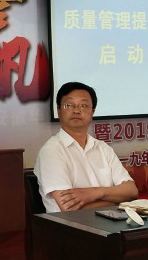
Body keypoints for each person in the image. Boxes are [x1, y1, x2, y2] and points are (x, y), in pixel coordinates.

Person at [34, 82, 138, 213]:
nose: (76, 110)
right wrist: (116, 201)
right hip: (70, 225)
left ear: (92, 112)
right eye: (69, 105)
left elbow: (131, 191)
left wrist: (94, 193)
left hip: (111, 222)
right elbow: (69, 208)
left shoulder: (103, 148)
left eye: (83, 105)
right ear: (58, 110)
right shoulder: (51, 151)